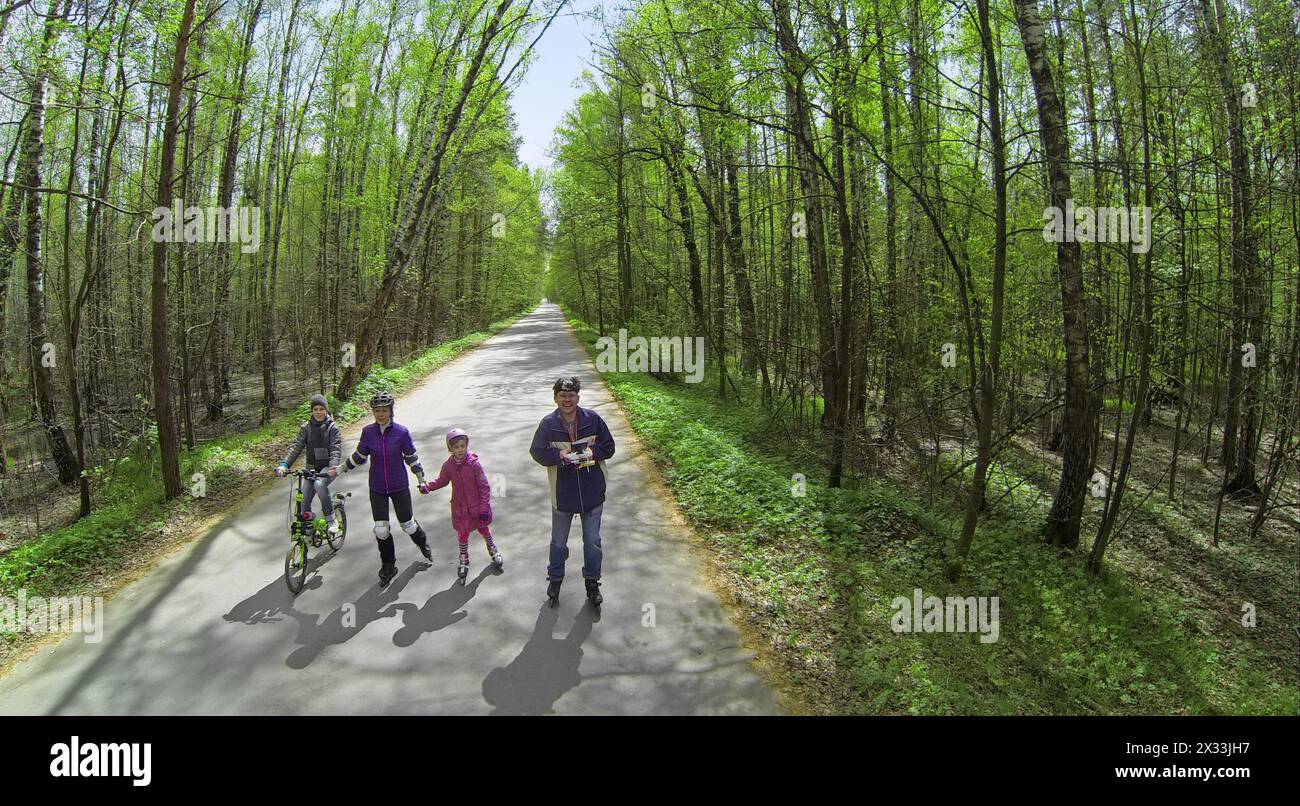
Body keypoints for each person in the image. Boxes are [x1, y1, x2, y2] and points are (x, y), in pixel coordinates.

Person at [528, 376, 615, 607]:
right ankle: (555, 579)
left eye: (571, 395)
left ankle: (592, 582)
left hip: (592, 491)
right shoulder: (548, 424)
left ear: (578, 396)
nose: (567, 399)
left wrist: (592, 453)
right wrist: (559, 456)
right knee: (558, 542)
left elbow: (609, 447)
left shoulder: (593, 419)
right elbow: (536, 452)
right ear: (555, 398)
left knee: (592, 541)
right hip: (562, 493)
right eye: (562, 395)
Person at [341, 391, 433, 586]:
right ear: (373, 412)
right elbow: (360, 456)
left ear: (391, 411)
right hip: (377, 487)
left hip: (398, 485)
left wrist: (421, 479)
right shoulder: (368, 432)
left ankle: (422, 541)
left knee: (408, 525)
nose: (381, 414)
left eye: (384, 410)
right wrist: (339, 470)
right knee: (381, 530)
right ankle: (388, 565)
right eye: (377, 411)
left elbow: (411, 458)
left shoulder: (401, 432)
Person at [422, 427, 502, 585]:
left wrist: (484, 507)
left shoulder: (474, 465)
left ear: (467, 445)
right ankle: (464, 559)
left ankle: (492, 549)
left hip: (477, 507)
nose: (460, 450)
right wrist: (428, 486)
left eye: (462, 446)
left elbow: (484, 487)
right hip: (460, 509)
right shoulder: (448, 466)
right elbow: (442, 481)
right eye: (456, 447)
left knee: (483, 529)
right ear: (450, 448)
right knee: (463, 534)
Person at [275, 394, 342, 537]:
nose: (318, 412)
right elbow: (296, 447)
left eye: (321, 409)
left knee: (319, 485)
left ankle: (331, 520)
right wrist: (284, 464)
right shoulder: (306, 428)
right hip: (311, 467)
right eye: (315, 409)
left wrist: (333, 467)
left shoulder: (332, 428)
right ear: (312, 411)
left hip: (327, 468)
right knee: (303, 498)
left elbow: (335, 449)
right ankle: (310, 524)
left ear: (326, 410)